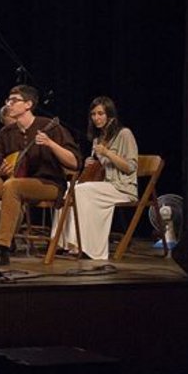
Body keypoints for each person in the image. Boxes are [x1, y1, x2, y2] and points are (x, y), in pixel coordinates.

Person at [0, 85, 80, 266]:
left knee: (12, 186)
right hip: (16, 183)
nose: (9, 104)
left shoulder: (49, 127)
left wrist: (51, 144)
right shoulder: (6, 133)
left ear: (28, 104)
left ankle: (3, 247)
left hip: (49, 184)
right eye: (8, 100)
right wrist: (0, 171)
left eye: (14, 101)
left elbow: (75, 162)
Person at [52, 96, 138, 259]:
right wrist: (90, 163)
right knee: (69, 188)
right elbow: (101, 168)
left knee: (81, 190)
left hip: (122, 187)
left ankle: (83, 246)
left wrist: (107, 153)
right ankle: (63, 242)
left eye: (100, 114)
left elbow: (131, 167)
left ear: (110, 115)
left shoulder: (124, 134)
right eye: (93, 114)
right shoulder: (98, 139)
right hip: (104, 185)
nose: (96, 118)